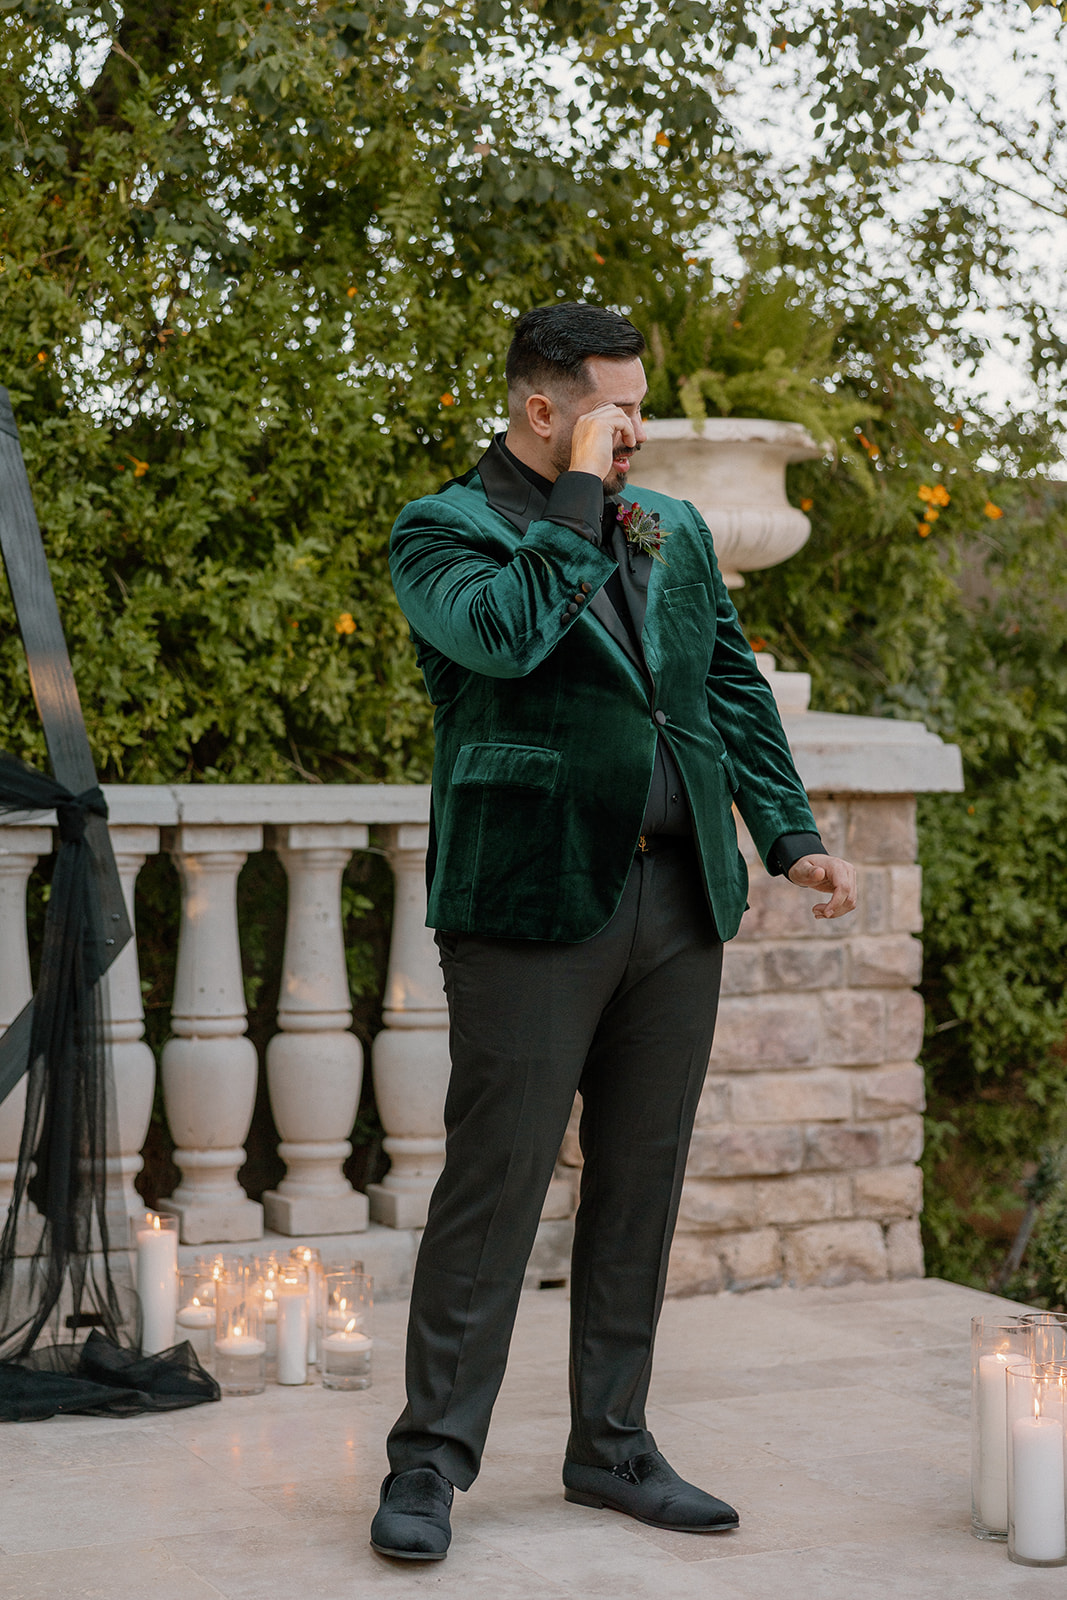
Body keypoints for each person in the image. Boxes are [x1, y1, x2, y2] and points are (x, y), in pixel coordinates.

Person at [370, 303, 857, 1562]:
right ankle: (428, 1464)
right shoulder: (442, 531)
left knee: (637, 1189)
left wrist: (787, 834)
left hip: (677, 901)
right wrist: (579, 503)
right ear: (542, 410)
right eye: (614, 409)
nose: (637, 430)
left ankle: (612, 1445)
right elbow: (506, 636)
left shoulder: (677, 531)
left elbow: (728, 687)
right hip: (527, 903)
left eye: (639, 406)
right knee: (495, 1192)